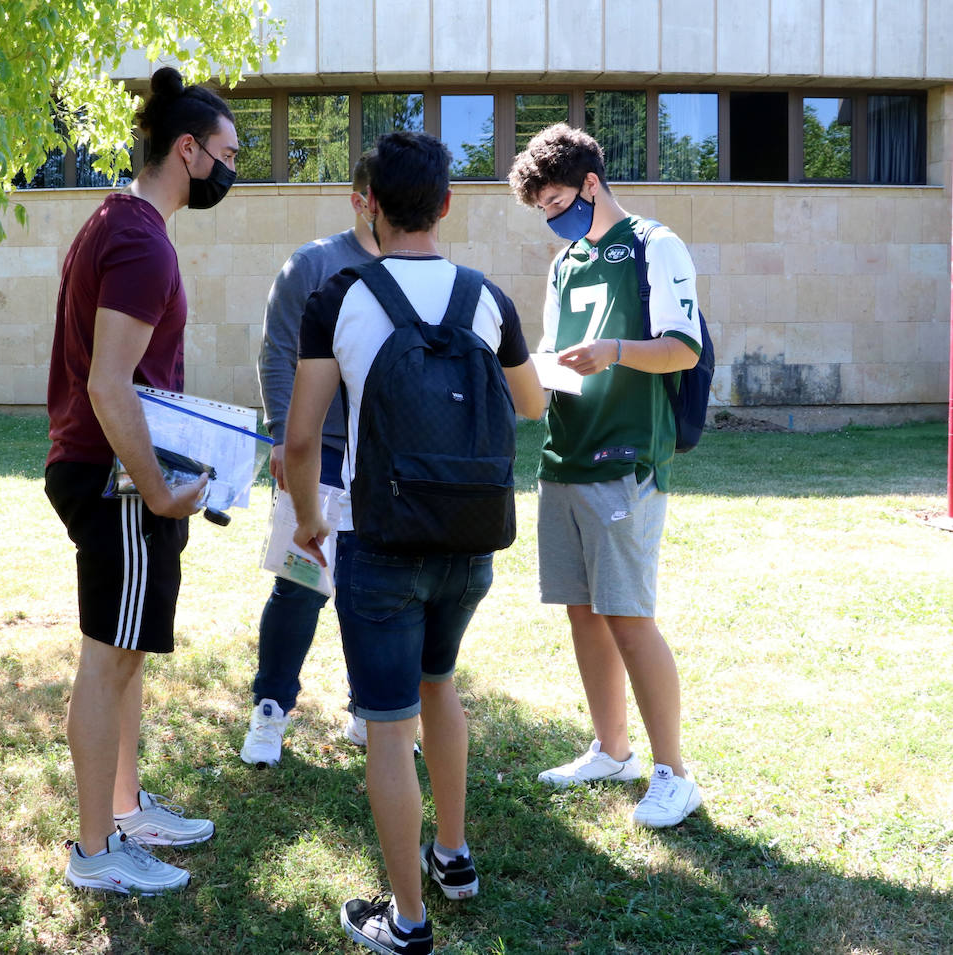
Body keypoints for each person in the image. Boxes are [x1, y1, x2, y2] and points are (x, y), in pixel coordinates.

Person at [287, 132, 545, 955]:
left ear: (369, 204)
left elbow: (300, 441)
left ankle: (405, 921)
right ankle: (454, 856)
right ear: (444, 205)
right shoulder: (487, 299)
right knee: (442, 686)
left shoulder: (339, 297)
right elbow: (532, 404)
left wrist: (306, 518)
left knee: (390, 724)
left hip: (379, 540)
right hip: (470, 540)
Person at [44, 66, 238, 896]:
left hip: (119, 475)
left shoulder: (122, 224)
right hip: (118, 484)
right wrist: (156, 488)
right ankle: (97, 851)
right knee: (107, 661)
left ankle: (125, 807)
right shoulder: (138, 239)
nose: (234, 167)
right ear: (186, 150)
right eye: (227, 153)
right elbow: (108, 384)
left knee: (126, 655)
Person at [507, 123, 705, 828]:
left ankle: (675, 771)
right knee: (582, 611)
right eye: (543, 211)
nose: (553, 219)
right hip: (564, 455)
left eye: (557, 201)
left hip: (625, 459)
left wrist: (617, 350)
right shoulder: (566, 264)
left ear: (591, 184)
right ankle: (612, 748)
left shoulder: (656, 244)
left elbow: (682, 349)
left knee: (628, 617)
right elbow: (555, 356)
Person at [239, 155, 380, 769]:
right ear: (359, 200)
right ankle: (271, 709)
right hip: (316, 458)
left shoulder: (419, 271)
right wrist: (279, 434)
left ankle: (369, 710)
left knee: (371, 593)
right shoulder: (315, 263)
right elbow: (276, 353)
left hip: (384, 468)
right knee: (301, 586)